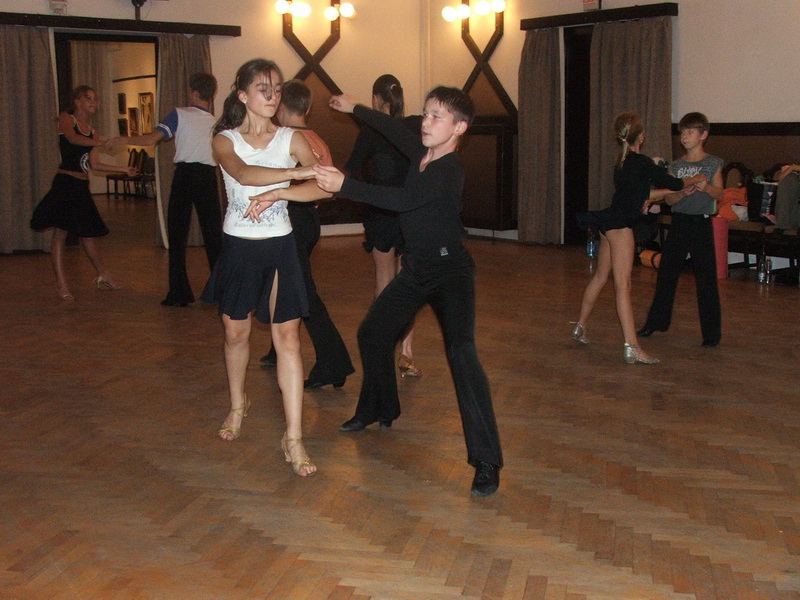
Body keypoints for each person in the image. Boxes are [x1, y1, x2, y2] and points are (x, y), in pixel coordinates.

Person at [312, 87, 503, 497]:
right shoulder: (422, 153)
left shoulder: (449, 170)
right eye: (426, 113)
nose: (426, 122)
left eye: (436, 116)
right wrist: (355, 107)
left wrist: (346, 185)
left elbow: (404, 199)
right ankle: (379, 408)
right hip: (417, 269)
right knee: (372, 333)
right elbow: (391, 127)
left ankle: (487, 460)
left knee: (462, 354)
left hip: (450, 272)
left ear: (459, 128)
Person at [201, 59, 330, 477]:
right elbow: (242, 173)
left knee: (288, 338)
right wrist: (296, 172)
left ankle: (294, 437)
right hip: (239, 247)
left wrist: (282, 193)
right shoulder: (225, 139)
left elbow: (323, 186)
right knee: (235, 333)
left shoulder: (292, 137)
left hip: (280, 247)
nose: (273, 96)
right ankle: (238, 405)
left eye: (277, 88)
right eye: (263, 88)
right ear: (242, 95)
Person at [571, 112, 704, 363]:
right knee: (624, 286)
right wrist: (695, 179)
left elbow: (642, 193)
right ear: (640, 136)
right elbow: (674, 184)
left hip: (608, 223)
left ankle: (580, 326)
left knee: (600, 276)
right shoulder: (641, 162)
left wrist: (667, 187)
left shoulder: (622, 162)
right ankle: (632, 346)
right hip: (620, 227)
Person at [257, 79, 355, 389]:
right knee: (283, 283)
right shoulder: (318, 140)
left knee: (303, 292)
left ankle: (334, 363)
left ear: (281, 107)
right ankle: (277, 348)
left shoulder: (288, 140)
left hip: (293, 219)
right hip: (308, 219)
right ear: (308, 107)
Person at [115, 73, 222, 307]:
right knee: (214, 235)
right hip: (207, 177)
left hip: (185, 176)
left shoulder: (180, 114)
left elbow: (150, 140)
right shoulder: (217, 123)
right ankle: (221, 292)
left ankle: (179, 293)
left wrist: (122, 139)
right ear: (211, 94)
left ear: (194, 93)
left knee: (177, 234)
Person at [343, 74, 422, 378]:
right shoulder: (413, 127)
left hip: (380, 213)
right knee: (407, 284)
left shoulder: (369, 132)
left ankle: (381, 347)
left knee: (384, 282)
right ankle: (407, 352)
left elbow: (351, 170)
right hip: (409, 213)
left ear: (376, 99)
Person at [31, 86, 136, 300]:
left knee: (88, 233)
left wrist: (123, 169)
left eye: (95, 99)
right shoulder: (66, 119)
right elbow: (72, 139)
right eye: (89, 98)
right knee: (61, 232)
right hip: (65, 183)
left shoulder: (92, 132)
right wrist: (102, 143)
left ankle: (104, 275)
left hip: (81, 186)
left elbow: (94, 164)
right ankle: (61, 283)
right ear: (78, 101)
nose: (94, 103)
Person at [637, 112, 724, 347]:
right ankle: (655, 322)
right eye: (683, 132)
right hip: (680, 223)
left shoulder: (713, 163)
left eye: (690, 132)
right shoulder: (676, 166)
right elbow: (669, 199)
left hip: (701, 224)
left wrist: (706, 188)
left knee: (706, 279)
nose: (685, 137)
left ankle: (711, 334)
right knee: (667, 274)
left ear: (703, 135)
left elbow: (720, 193)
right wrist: (681, 193)